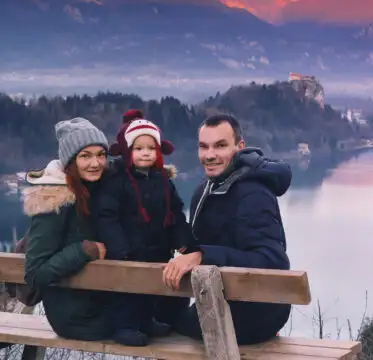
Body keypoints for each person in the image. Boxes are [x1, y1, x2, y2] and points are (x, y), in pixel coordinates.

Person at [163, 114, 292, 345]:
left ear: (239, 147)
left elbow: (273, 261)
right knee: (158, 318)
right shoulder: (205, 188)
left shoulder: (253, 194)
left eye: (220, 146)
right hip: (223, 303)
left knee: (160, 323)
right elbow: (207, 241)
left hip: (254, 314)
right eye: (204, 147)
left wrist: (201, 255)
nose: (210, 155)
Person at [91, 115, 192, 346]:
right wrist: (119, 248)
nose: (145, 153)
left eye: (150, 148)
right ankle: (125, 326)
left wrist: (183, 241)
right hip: (128, 250)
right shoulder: (116, 180)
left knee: (151, 288)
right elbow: (107, 217)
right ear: (127, 151)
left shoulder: (163, 180)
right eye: (138, 148)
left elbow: (175, 213)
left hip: (158, 247)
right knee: (127, 292)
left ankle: (146, 321)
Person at [24, 117, 112, 341]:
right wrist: (82, 251)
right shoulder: (54, 201)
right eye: (85, 156)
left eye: (101, 154)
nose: (95, 163)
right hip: (77, 318)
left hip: (99, 303)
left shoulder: (92, 188)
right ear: (70, 161)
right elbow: (35, 274)